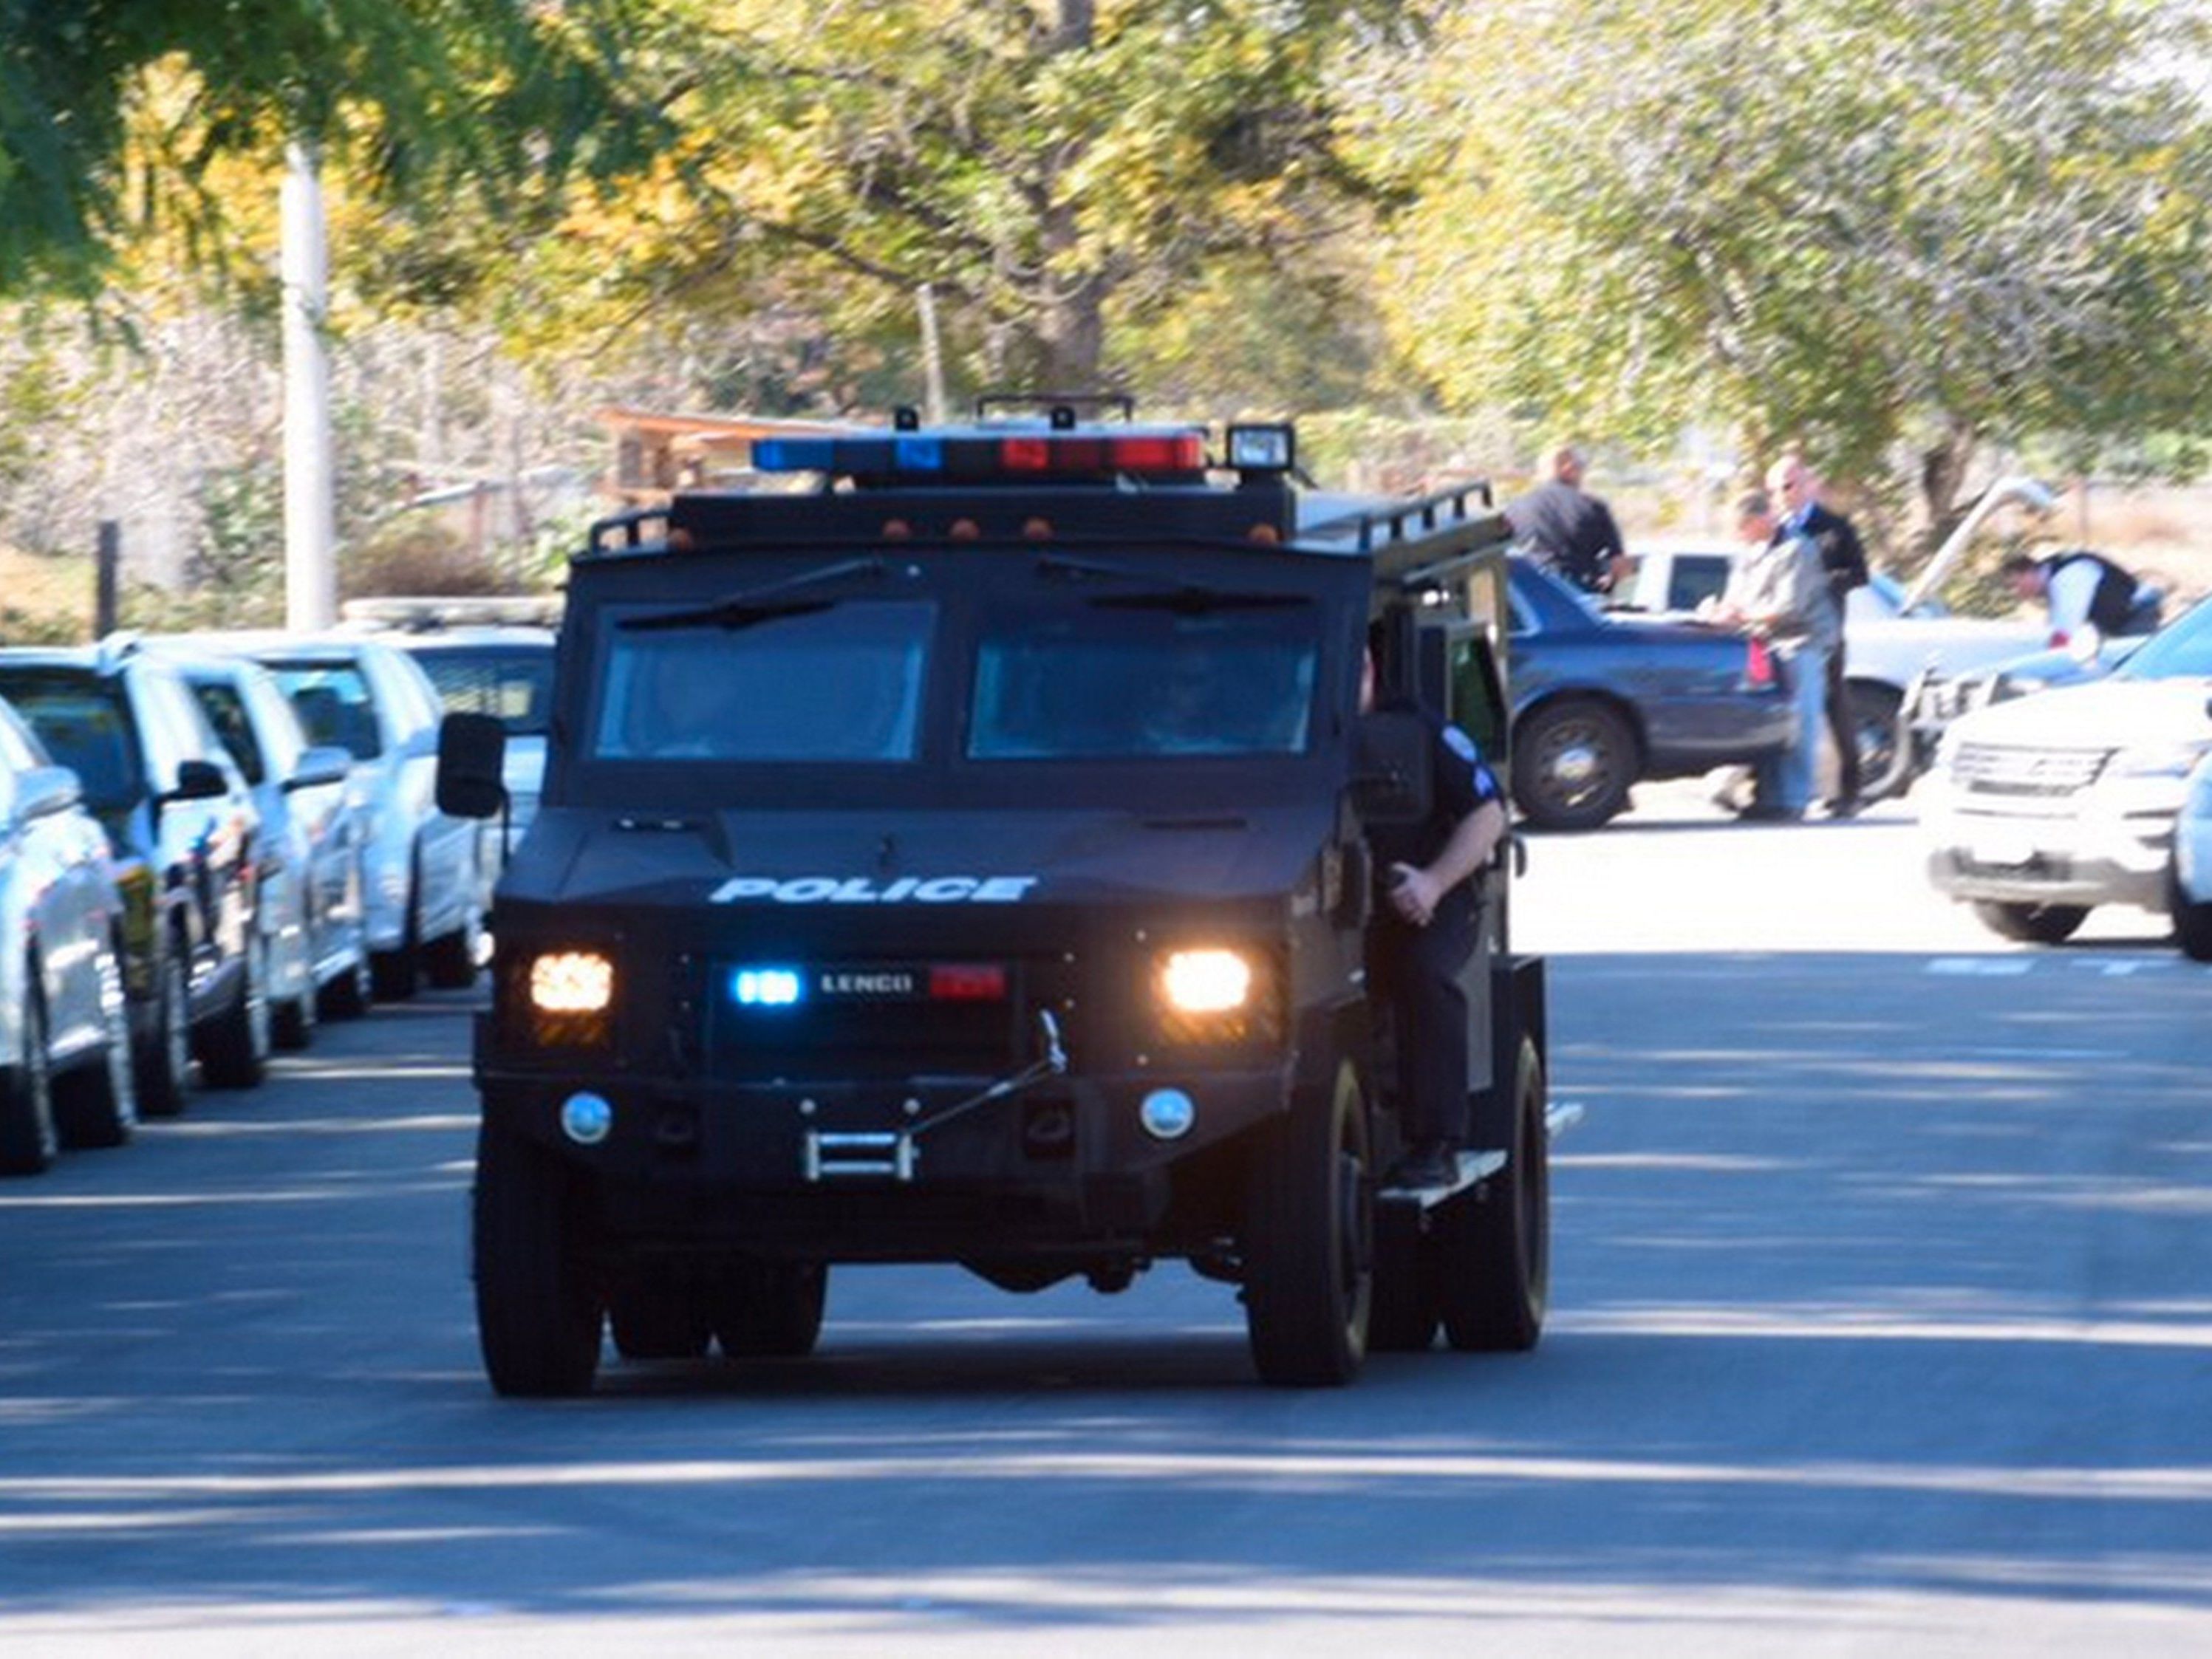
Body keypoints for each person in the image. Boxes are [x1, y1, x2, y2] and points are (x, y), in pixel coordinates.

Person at [1359, 643, 1510, 1190]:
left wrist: (1433, 881)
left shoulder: (1416, 728)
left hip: (1430, 899)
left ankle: (1435, 1142)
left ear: (1369, 668)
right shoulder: (1279, 730)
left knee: (1423, 973)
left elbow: (1487, 812)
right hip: (1329, 906)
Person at [1701, 488, 1838, 822]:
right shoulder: (1749, 553)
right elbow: (1737, 597)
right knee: (1768, 722)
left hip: (1800, 643)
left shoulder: (1797, 549)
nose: (1741, 533)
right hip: (1765, 645)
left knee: (1799, 723)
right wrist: (1720, 611)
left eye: (1745, 525)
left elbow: (1788, 608)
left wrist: (1742, 617)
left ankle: (1794, 799)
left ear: (1764, 519)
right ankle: (1767, 796)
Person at [1770, 452, 1871, 816]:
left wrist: (1820, 584)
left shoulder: (1833, 527)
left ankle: (1851, 790)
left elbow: (1860, 574)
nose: (1784, 494)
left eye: (1790, 485)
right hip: (1783, 633)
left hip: (1824, 630)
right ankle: (1778, 790)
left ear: (1807, 485)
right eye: (1777, 489)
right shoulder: (1777, 530)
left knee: (1835, 707)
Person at [1505, 441, 1627, 595]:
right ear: (1569, 469)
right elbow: (1620, 565)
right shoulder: (1593, 506)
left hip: (1532, 599)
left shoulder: (1514, 509)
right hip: (1580, 596)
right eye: (1581, 467)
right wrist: (1608, 587)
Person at [2001, 549, 2163, 651]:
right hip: (2122, 619)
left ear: (2029, 572)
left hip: (2136, 616)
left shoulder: (2066, 579)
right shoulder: (2053, 572)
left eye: (2016, 585)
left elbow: (2064, 631)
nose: (2017, 593)